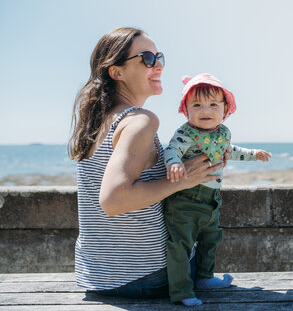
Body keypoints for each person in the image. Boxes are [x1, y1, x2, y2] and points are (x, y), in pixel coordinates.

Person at [69, 27, 223, 300]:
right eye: (147, 58)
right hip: (148, 276)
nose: (159, 65)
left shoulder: (95, 122)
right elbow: (113, 200)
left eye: (159, 56)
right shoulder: (140, 120)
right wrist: (184, 180)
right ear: (116, 72)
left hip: (97, 276)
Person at [163, 73, 272, 306]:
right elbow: (171, 150)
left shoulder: (221, 133)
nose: (206, 110)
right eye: (197, 105)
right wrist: (174, 162)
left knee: (211, 238)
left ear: (225, 109)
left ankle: (203, 277)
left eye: (213, 104)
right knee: (180, 244)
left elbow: (229, 150)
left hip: (211, 199)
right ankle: (181, 291)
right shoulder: (186, 134)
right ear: (186, 110)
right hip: (184, 199)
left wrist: (254, 155)